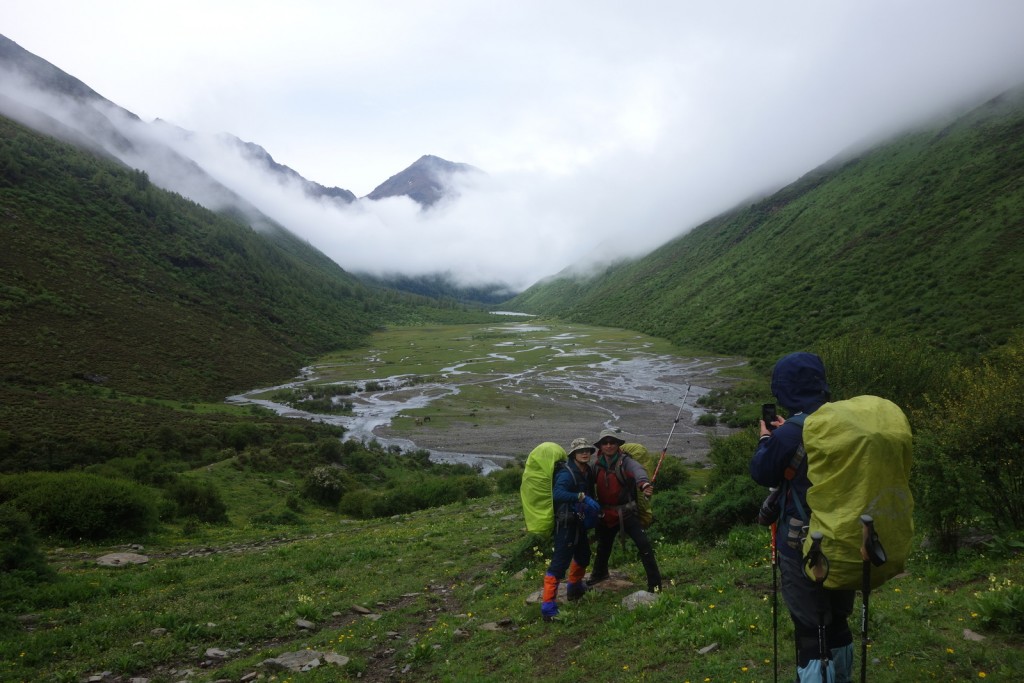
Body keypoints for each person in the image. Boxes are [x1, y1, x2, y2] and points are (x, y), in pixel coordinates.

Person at [750, 352, 855, 683]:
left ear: (784, 389)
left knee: (810, 628)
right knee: (837, 619)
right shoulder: (843, 421)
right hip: (845, 535)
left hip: (802, 541)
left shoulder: (790, 433)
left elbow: (762, 470)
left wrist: (767, 438)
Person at [587, 428, 662, 593]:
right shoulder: (596, 466)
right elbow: (585, 481)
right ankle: (599, 574)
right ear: (600, 446)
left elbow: (638, 470)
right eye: (605, 443)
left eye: (612, 442)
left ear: (617, 445)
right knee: (603, 546)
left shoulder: (625, 461)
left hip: (627, 513)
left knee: (644, 546)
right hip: (606, 514)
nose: (608, 445)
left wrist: (644, 484)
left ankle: (655, 585)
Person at [540, 437, 601, 622]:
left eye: (587, 451)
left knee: (583, 555)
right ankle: (548, 607)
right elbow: (557, 494)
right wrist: (581, 497)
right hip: (566, 524)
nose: (584, 453)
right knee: (559, 563)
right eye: (580, 451)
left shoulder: (587, 471)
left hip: (579, 522)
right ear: (573, 454)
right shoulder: (567, 473)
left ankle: (574, 588)